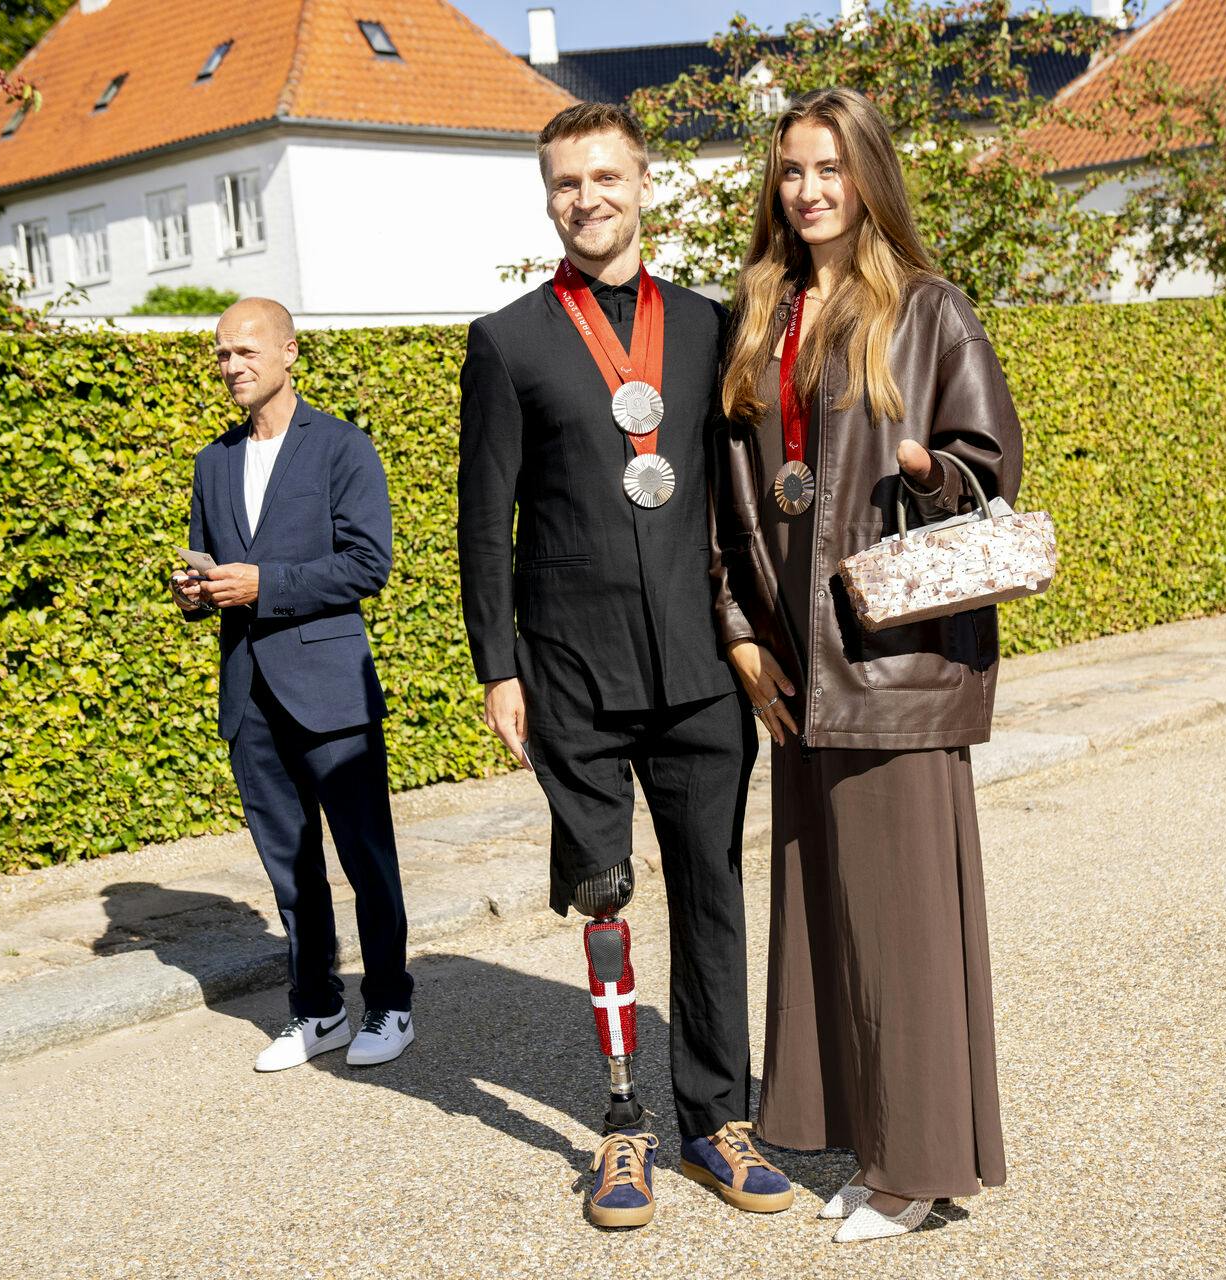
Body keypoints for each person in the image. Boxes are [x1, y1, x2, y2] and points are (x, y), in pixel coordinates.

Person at [456, 102, 793, 1231]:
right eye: (565, 183)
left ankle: (714, 1116)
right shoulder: (505, 339)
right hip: (574, 677)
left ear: (645, 183)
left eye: (605, 177)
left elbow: (741, 500)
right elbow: (480, 521)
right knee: (603, 900)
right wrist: (496, 668)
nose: (586, 198)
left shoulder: (707, 327)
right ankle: (620, 1129)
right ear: (547, 198)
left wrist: (759, 632)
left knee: (712, 898)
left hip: (700, 669)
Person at [710, 88, 1020, 1243]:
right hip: (799, 666)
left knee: (902, 925)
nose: (809, 190)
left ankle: (920, 1165)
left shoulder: (929, 308)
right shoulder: (763, 311)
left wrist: (931, 467)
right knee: (828, 919)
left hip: (892, 665)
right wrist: (740, 628)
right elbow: (733, 495)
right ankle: (874, 1139)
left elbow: (992, 473)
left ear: (869, 175)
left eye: (830, 168)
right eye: (792, 169)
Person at [169, 297, 414, 1074]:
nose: (231, 367)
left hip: (330, 688)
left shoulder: (342, 447)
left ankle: (391, 1003)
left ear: (288, 351)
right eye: (220, 355)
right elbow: (214, 562)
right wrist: (195, 592)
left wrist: (263, 586)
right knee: (290, 866)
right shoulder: (213, 462)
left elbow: (368, 564)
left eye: (245, 352)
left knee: (366, 856)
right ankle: (317, 1008)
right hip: (250, 694)